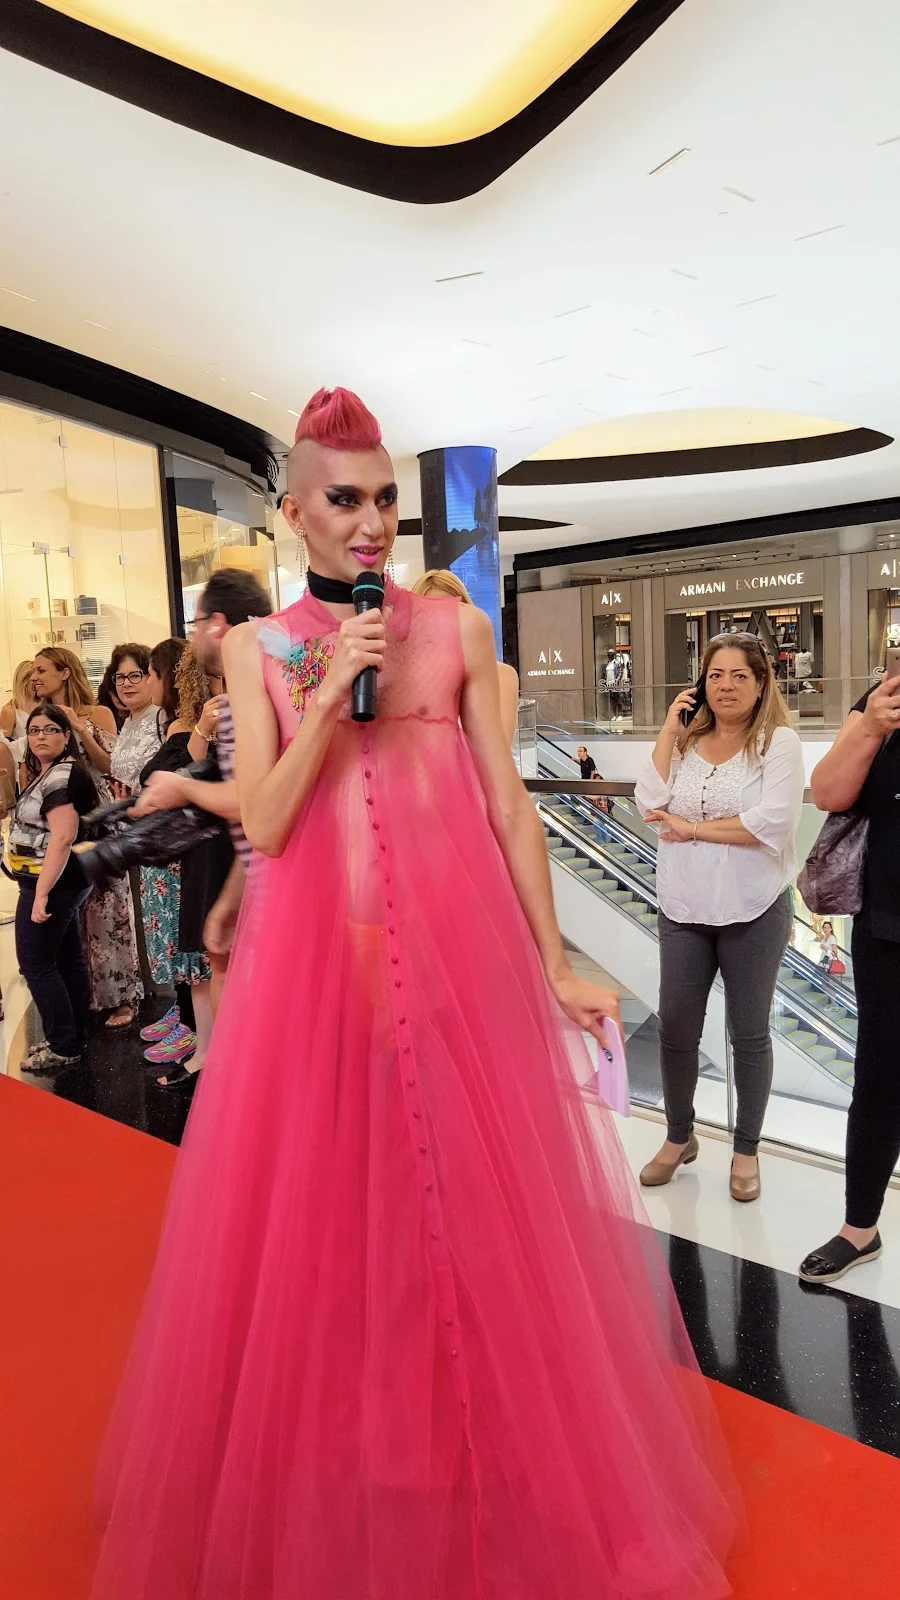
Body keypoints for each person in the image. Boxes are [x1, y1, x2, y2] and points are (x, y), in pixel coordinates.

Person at [92, 387, 736, 1600]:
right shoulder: (260, 649)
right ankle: (351, 1457)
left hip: (455, 969)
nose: (374, 520)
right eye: (346, 498)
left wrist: (554, 960)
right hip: (314, 981)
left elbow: (508, 807)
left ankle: (474, 1452)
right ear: (295, 512)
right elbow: (268, 822)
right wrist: (329, 690)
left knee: (470, 1218)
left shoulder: (455, 631)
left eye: (387, 497)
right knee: (330, 1225)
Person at [635, 631, 805, 1203]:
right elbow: (647, 800)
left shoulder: (778, 743)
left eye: (738, 676)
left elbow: (773, 823)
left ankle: (746, 1148)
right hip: (683, 906)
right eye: (715, 675)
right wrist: (668, 730)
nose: (725, 686)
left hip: (753, 908)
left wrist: (691, 829)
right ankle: (679, 1137)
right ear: (699, 683)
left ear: (760, 683)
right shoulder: (686, 740)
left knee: (748, 1035)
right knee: (676, 1029)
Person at [133, 569, 272, 1014]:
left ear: (217, 625)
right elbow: (256, 834)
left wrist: (184, 789)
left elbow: (259, 804)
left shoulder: (257, 698)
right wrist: (232, 900)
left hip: (286, 907)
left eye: (194, 626)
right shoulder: (241, 697)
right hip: (263, 897)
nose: (192, 642)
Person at [799, 673, 900, 1283]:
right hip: (888, 924)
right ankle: (860, 1228)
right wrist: (871, 726)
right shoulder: (884, 698)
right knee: (879, 1080)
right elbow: (827, 792)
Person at [31, 646, 142, 1028]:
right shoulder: (40, 717)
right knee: (71, 913)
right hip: (61, 819)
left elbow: (111, 765)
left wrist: (78, 727)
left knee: (107, 909)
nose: (34, 677)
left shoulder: (97, 713)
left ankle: (122, 996)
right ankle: (84, 995)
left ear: (64, 672)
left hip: (99, 819)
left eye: (42, 669)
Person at [131, 640, 214, 1087]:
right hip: (167, 851)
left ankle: (195, 1029)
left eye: (149, 673)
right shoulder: (176, 724)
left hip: (185, 854)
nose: (144, 682)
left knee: (191, 951)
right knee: (180, 949)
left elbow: (186, 779)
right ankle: (184, 1016)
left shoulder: (193, 726)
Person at [8, 702, 97, 1074]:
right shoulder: (51, 771)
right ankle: (72, 1036)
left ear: (66, 735)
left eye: (50, 729)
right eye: (34, 730)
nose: (40, 736)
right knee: (66, 959)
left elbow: (62, 837)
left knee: (36, 965)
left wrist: (41, 893)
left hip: (52, 882)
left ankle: (62, 1046)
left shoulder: (61, 775)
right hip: (61, 880)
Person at [411, 569, 520, 743]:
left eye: (450, 611)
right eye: (429, 614)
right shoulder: (408, 681)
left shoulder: (502, 676)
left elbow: (498, 747)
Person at [0, 659, 36, 765]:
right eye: (33, 680)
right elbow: (5, 747)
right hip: (23, 764)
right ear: (24, 682)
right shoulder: (9, 711)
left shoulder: (44, 704)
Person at [576, 742, 611, 816]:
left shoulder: (590, 760)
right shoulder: (582, 760)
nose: (579, 752)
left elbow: (593, 771)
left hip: (602, 809)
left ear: (585, 752)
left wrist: (591, 781)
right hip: (585, 782)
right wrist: (574, 759)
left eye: (580, 751)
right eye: (578, 751)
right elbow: (580, 761)